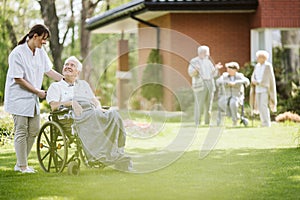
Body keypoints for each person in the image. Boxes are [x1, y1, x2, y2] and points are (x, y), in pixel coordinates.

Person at [46, 56, 132, 171]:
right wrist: (71, 103)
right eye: (66, 65)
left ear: (78, 72)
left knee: (114, 115)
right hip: (71, 115)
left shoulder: (83, 84)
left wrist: (99, 108)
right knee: (93, 117)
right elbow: (53, 106)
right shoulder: (56, 87)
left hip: (91, 111)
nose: (68, 67)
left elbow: (94, 100)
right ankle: (98, 155)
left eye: (72, 65)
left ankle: (116, 152)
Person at [4, 24, 63, 173]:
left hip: (32, 98)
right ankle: (23, 166)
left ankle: (20, 163)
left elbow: (48, 70)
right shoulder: (17, 53)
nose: (44, 43)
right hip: (18, 98)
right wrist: (38, 92)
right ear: (34, 36)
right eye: (43, 39)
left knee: (34, 130)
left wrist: (66, 81)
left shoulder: (40, 52)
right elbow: (18, 79)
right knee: (21, 130)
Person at [188, 45, 222, 126]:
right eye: (207, 53)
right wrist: (196, 70)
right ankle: (197, 122)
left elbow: (213, 74)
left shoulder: (208, 61)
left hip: (210, 83)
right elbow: (191, 73)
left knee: (209, 104)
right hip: (200, 84)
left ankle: (207, 122)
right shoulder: (194, 61)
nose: (208, 55)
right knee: (199, 103)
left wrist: (216, 68)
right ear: (201, 53)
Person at [216, 62, 250, 126]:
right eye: (227, 69)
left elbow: (247, 81)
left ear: (235, 70)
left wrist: (235, 82)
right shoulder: (224, 75)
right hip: (226, 95)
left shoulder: (239, 76)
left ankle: (234, 121)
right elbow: (218, 81)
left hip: (236, 95)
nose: (228, 70)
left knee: (233, 103)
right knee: (221, 102)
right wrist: (227, 82)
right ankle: (234, 115)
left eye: (230, 69)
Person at [250, 50, 277, 127]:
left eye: (259, 57)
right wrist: (253, 81)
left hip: (265, 89)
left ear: (264, 58)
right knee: (258, 105)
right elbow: (254, 75)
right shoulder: (257, 66)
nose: (257, 59)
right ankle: (263, 122)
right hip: (257, 89)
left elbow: (269, 78)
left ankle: (266, 123)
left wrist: (259, 82)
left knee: (263, 105)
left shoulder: (268, 66)